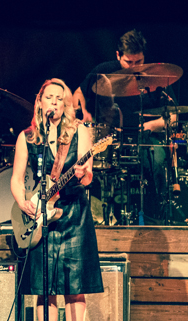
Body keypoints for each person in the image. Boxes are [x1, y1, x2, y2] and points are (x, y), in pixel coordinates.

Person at [11, 79, 104, 321]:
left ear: (65, 104)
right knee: (44, 288)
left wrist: (82, 174)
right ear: (39, 101)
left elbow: (87, 177)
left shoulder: (81, 132)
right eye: (48, 97)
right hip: (42, 216)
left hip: (73, 212)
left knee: (75, 287)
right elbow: (16, 178)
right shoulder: (28, 136)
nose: (53, 102)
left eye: (58, 98)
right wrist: (23, 201)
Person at [73, 29, 179, 223]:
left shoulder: (157, 76)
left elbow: (173, 116)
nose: (134, 67)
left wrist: (150, 125)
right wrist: (82, 113)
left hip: (145, 139)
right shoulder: (104, 70)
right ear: (118, 56)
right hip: (108, 139)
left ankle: (156, 216)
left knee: (157, 161)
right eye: (128, 62)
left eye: (138, 62)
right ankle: (96, 218)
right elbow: (78, 92)